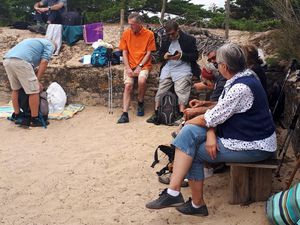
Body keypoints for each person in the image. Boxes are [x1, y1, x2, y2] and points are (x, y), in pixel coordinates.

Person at [146, 43, 277, 216]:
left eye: (217, 64)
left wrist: (195, 124)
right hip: (243, 133)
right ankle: (174, 192)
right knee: (189, 134)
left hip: (255, 145)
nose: (216, 67)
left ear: (224, 66)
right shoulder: (245, 75)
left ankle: (196, 204)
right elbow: (219, 112)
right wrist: (209, 130)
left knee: (193, 150)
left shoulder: (240, 87)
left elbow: (212, 118)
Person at [147, 20, 200, 124]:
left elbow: (195, 56)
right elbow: (160, 55)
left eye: (172, 34)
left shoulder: (189, 39)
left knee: (181, 91)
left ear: (178, 30)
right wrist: (164, 56)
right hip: (169, 66)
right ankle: (157, 113)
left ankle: (181, 114)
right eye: (168, 34)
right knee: (161, 90)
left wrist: (181, 56)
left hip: (183, 67)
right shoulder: (166, 39)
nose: (170, 36)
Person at [3, 38, 55, 127]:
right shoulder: (50, 45)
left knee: (16, 89)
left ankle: (17, 115)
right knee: (34, 91)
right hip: (21, 61)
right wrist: (37, 80)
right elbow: (44, 62)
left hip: (7, 59)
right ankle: (34, 119)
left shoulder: (34, 41)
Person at [117, 13, 156, 123]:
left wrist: (139, 66)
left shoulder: (149, 34)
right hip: (129, 65)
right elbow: (124, 53)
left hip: (143, 65)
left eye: (132, 24)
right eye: (129, 24)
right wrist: (128, 68)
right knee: (128, 85)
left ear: (139, 24)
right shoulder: (126, 33)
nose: (130, 27)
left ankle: (140, 102)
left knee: (142, 80)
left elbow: (148, 53)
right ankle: (124, 113)